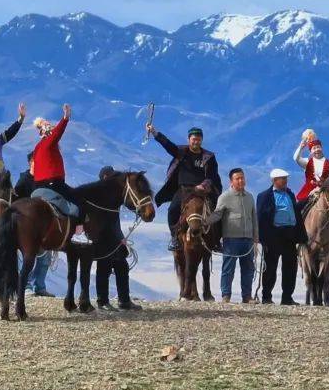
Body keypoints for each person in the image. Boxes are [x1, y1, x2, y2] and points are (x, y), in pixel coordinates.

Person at [146, 123, 222, 251]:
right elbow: (167, 145)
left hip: (202, 191)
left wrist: (203, 185)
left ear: (202, 140)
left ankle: (216, 241)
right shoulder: (181, 152)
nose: (196, 142)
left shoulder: (209, 157)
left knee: (218, 211)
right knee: (172, 210)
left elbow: (212, 175)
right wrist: (154, 132)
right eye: (194, 139)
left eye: (198, 139)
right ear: (189, 139)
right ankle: (174, 238)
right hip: (184, 190)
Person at [206, 168, 259, 303]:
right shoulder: (225, 197)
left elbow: (254, 219)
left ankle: (247, 296)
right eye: (237, 178)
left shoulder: (250, 197)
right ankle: (226, 295)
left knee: (248, 269)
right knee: (228, 269)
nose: (241, 180)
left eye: (242, 178)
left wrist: (256, 238)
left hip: (248, 240)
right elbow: (217, 214)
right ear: (231, 181)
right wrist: (204, 222)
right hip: (231, 239)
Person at [256, 168, 307, 305]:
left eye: (286, 178)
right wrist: (261, 238)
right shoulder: (264, 196)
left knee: (290, 267)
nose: (285, 181)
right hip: (273, 236)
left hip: (289, 235)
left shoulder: (290, 194)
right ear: (274, 180)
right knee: (270, 267)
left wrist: (308, 198)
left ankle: (287, 297)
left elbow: (295, 211)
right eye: (282, 178)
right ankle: (266, 297)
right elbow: (260, 217)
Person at [94, 166, 141, 311]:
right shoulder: (97, 195)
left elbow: (129, 203)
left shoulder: (116, 195)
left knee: (122, 267)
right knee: (104, 268)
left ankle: (124, 301)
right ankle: (102, 302)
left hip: (116, 238)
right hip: (102, 239)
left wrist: (139, 210)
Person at [13, 151, 54, 297]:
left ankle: (40, 286)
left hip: (43, 225)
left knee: (45, 257)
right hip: (27, 226)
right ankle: (27, 285)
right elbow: (15, 200)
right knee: (28, 256)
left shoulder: (44, 180)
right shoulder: (24, 180)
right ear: (31, 162)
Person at [31, 103, 81, 218]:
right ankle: (78, 226)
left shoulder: (37, 147)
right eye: (48, 127)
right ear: (43, 132)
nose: (50, 128)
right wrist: (65, 118)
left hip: (38, 186)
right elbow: (58, 132)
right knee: (77, 201)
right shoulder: (49, 142)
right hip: (53, 183)